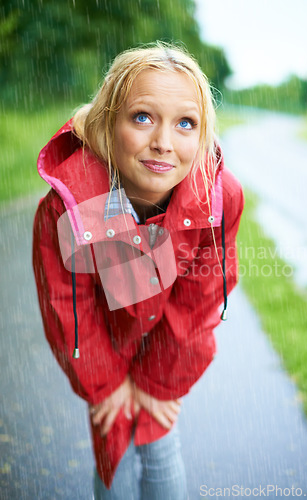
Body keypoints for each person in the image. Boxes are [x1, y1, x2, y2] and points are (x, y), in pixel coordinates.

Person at [32, 41, 244, 499]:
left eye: (185, 123)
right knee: (116, 446)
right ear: (110, 122)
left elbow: (201, 298)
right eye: (143, 117)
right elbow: (66, 304)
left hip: (167, 342)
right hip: (102, 342)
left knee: (158, 440)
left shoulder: (215, 199)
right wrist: (106, 385)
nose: (164, 142)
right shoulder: (69, 206)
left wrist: (157, 384)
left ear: (203, 133)